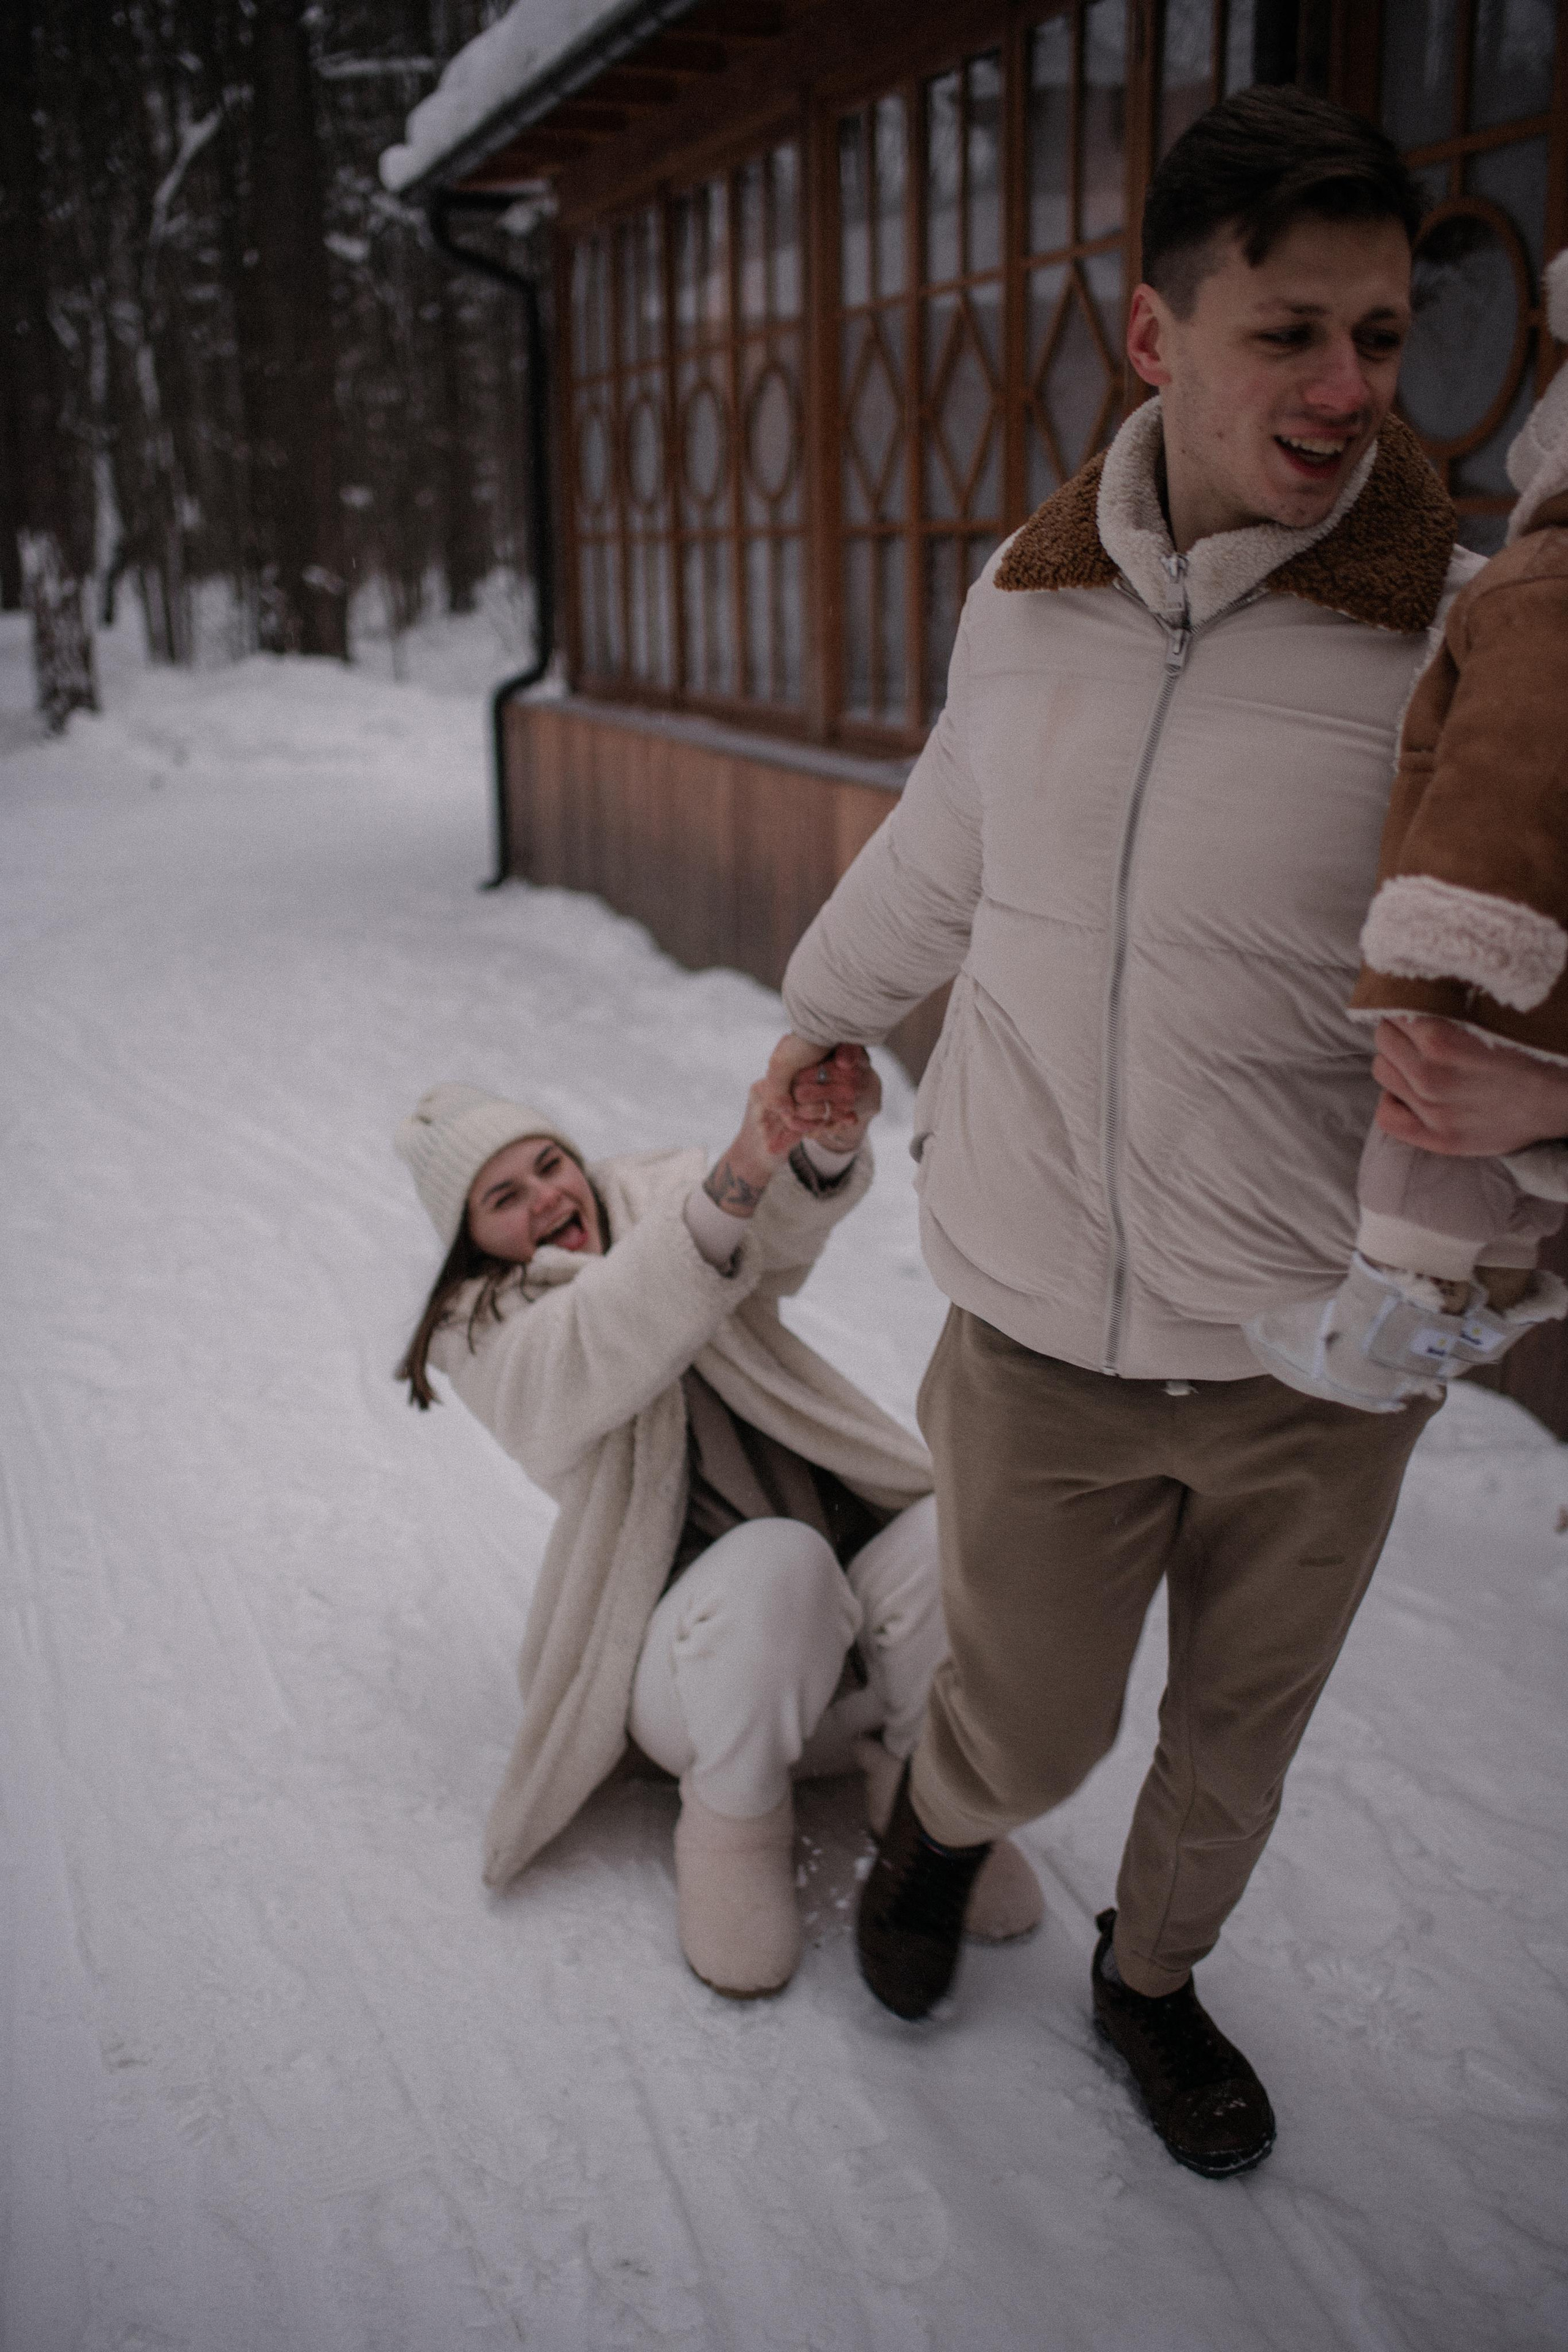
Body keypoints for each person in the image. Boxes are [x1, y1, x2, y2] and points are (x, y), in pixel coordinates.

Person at [767, 86, 1568, 2178]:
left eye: (1381, 336)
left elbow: (1545, 954)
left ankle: (1151, 1981)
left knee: (1235, 1744)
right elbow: (946, 846)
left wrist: (1554, 1108)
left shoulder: (1459, 630)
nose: (1348, 387)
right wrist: (823, 1017)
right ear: (1155, 336)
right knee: (1031, 1716)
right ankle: (945, 1828)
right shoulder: (1023, 600)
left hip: (1321, 1351)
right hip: (1037, 1319)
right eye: (1288, 331)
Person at [393, 1058, 1040, 2000]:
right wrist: (734, 1179)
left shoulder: (655, 1201)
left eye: (549, 1164)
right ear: (472, 1238)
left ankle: (925, 1797)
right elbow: (600, 1334)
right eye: (504, 1197)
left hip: (844, 1664)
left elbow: (773, 1235)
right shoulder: (486, 1331)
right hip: (687, 1691)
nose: (546, 1197)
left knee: (955, 1531)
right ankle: (735, 1828)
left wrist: (821, 1148)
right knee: (780, 1562)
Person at [1246, 247, 1568, 1410]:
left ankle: (1391, 1325)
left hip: (1496, 967)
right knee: (1489, 1171)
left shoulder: (1540, 586)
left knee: (1433, 1131)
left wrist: (1447, 975)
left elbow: (1504, 786)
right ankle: (1473, 1298)